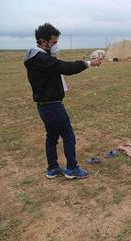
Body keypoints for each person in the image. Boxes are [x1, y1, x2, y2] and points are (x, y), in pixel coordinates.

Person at [24, 23, 102, 179]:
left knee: (52, 136)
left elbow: (54, 71)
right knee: (68, 135)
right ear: (43, 41)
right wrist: (89, 63)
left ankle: (52, 169)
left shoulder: (37, 58)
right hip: (52, 105)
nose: (55, 45)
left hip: (45, 105)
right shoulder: (40, 58)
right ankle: (72, 169)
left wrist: (61, 86)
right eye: (53, 42)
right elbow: (64, 67)